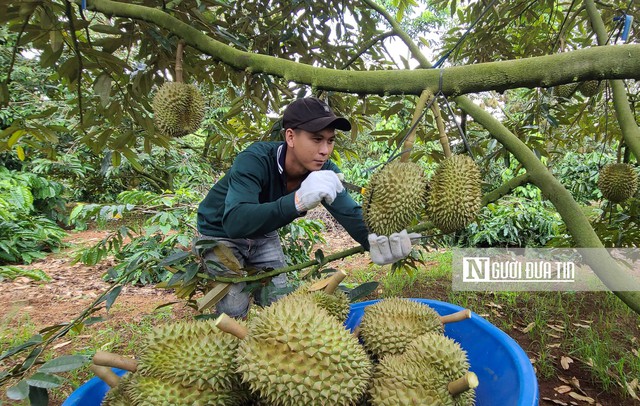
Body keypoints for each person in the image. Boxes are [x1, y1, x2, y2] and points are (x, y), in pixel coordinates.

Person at [194, 97, 417, 318]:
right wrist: (297, 201)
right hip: (219, 233)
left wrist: (377, 241)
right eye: (316, 139)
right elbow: (235, 221)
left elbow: (349, 212)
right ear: (290, 136)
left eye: (330, 141)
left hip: (263, 231)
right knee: (233, 306)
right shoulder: (254, 159)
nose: (325, 150)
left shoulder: (324, 170)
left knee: (279, 300)